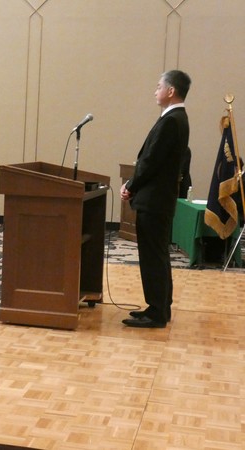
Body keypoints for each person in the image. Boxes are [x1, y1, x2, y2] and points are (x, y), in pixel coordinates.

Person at [120, 70, 191, 328]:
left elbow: (151, 161)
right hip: (159, 200)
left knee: (153, 257)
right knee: (157, 255)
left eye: (159, 86)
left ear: (171, 91)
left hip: (154, 201)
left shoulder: (172, 120)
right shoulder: (177, 118)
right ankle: (160, 307)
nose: (155, 91)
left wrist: (131, 185)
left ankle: (157, 313)